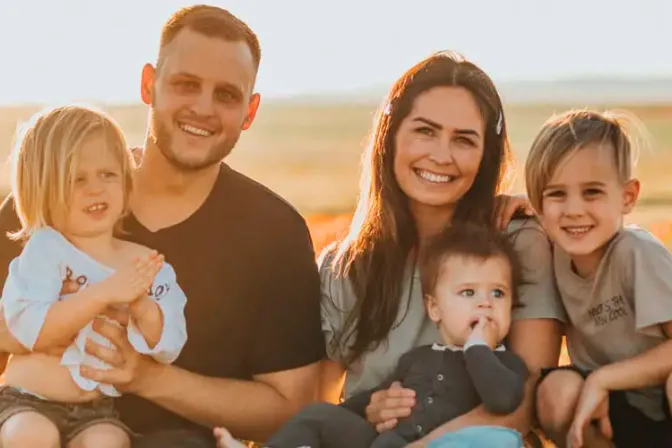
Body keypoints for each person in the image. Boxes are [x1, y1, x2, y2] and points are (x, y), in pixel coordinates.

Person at [0, 5, 325, 447]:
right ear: (149, 84)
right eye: (186, 85)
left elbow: (289, 409)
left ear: (249, 112)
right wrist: (37, 326)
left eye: (227, 95)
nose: (203, 108)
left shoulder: (275, 233)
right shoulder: (51, 200)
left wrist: (145, 376)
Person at [312, 51, 566, 446]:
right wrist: (367, 408)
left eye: (464, 140)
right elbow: (319, 404)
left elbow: (525, 402)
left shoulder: (518, 242)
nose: (441, 156)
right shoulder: (342, 266)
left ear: (485, 157)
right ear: (390, 136)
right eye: (425, 131)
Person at [216, 224, 529, 448]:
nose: (485, 303)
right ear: (434, 308)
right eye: (468, 292)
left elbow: (502, 399)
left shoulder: (506, 366)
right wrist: (363, 411)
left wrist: (478, 348)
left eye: (498, 293)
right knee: (318, 415)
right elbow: (371, 399)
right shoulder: (417, 359)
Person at [0, 105, 188, 448]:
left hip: (94, 410)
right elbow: (29, 327)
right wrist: (101, 295)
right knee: (31, 436)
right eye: (76, 179)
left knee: (108, 441)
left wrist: (143, 308)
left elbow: (170, 343)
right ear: (42, 189)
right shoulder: (46, 249)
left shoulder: (142, 262)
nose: (95, 189)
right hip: (25, 400)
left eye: (108, 174)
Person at [528, 110, 672, 448]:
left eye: (592, 192)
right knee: (556, 391)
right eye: (557, 194)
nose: (574, 209)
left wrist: (604, 379)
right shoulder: (552, 252)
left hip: (660, 399)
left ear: (628, 196)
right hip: (615, 410)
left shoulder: (637, 253)